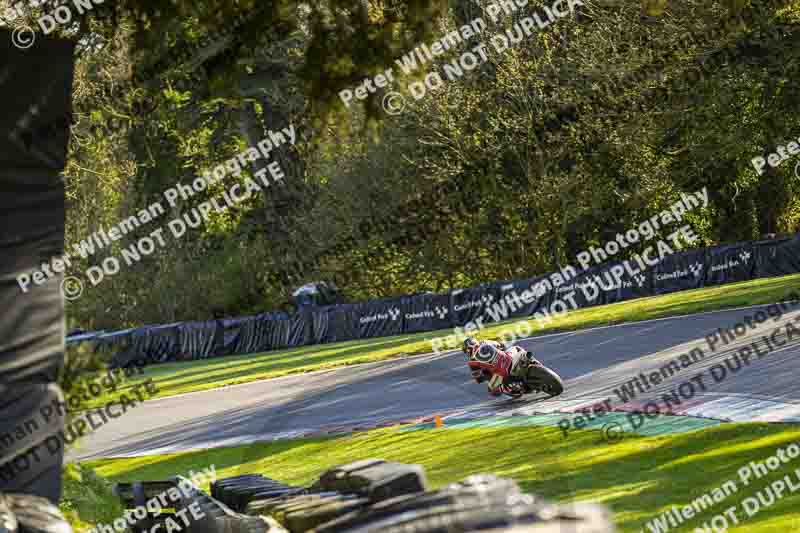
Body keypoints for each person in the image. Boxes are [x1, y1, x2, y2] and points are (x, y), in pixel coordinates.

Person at [463, 337, 535, 398]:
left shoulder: (484, 344)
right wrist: (483, 375)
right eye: (469, 349)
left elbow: (501, 345)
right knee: (493, 391)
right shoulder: (473, 361)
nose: (470, 350)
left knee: (517, 348)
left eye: (469, 349)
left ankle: (531, 361)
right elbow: (478, 378)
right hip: (501, 367)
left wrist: (482, 377)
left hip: (503, 365)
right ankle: (510, 387)